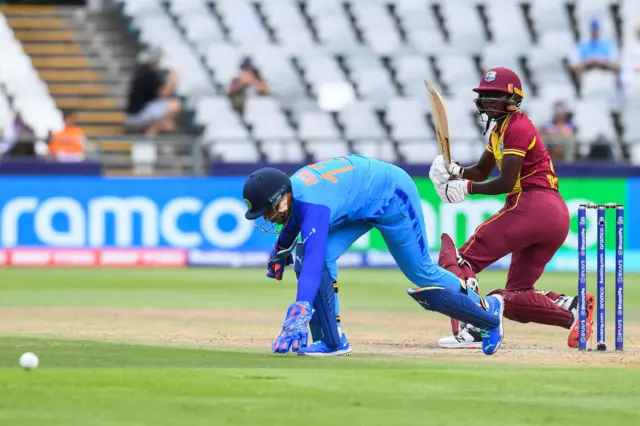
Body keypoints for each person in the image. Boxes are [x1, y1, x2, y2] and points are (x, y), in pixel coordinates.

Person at [242, 155, 505, 357]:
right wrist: (279, 251)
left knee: (421, 272)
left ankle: (487, 312)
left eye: (267, 211)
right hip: (360, 202)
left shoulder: (314, 205)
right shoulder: (294, 191)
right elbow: (294, 224)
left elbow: (311, 259)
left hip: (391, 194)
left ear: (281, 199)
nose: (267, 218)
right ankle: (333, 342)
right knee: (320, 259)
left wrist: (300, 308)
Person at [430, 67, 595, 349]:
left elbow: (506, 181)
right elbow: (482, 171)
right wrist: (455, 171)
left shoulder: (518, 127)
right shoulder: (500, 130)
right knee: (514, 295)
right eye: (484, 96)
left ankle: (474, 330)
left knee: (460, 263)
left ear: (513, 99)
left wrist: (465, 188)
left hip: (532, 205)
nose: (487, 101)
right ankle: (574, 310)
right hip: (553, 215)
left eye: (494, 96)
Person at [125, 47, 181, 137]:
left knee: (168, 122)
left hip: (133, 114)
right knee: (175, 105)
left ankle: (153, 127)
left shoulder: (141, 71)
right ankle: (152, 130)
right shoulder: (149, 74)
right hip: (137, 115)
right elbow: (164, 94)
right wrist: (173, 80)